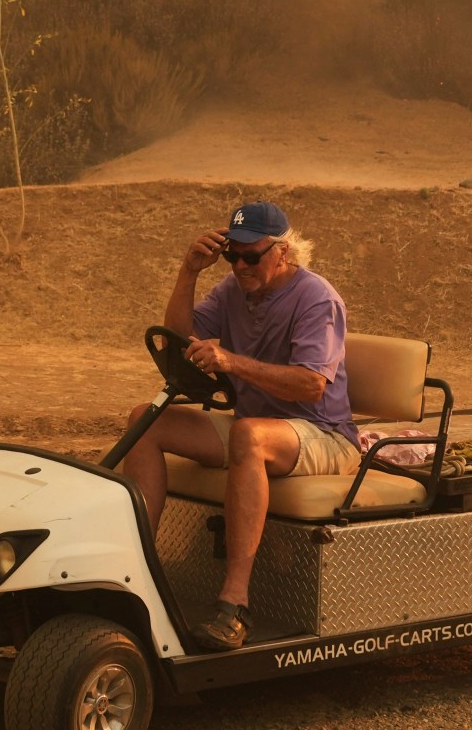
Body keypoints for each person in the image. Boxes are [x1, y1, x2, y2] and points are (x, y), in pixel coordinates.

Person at [118, 200, 356, 651]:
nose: (241, 266)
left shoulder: (316, 297)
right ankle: (135, 567)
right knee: (144, 420)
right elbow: (179, 335)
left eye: (252, 256)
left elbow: (310, 386)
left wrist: (230, 362)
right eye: (233, 255)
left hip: (322, 433)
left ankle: (234, 603)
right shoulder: (232, 290)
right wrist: (188, 271)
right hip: (259, 426)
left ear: (284, 252)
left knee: (248, 436)